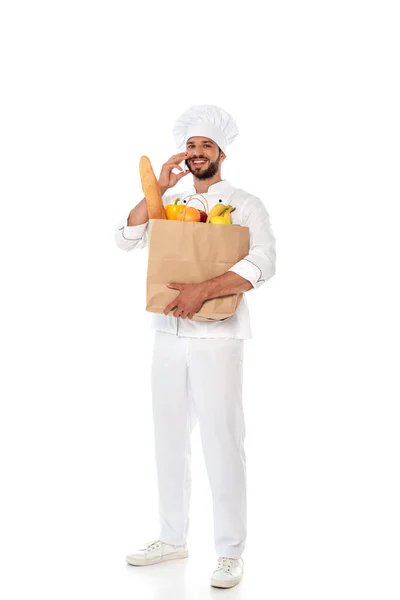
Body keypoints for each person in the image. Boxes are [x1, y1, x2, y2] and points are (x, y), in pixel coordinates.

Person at [115, 105, 276, 589]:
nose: (197, 153)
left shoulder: (246, 204)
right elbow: (126, 238)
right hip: (167, 335)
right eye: (190, 146)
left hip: (218, 339)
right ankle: (171, 536)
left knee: (222, 441)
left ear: (222, 153)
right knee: (168, 438)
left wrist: (201, 290)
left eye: (206, 145)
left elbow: (265, 261)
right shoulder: (172, 202)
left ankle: (229, 552)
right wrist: (158, 190)